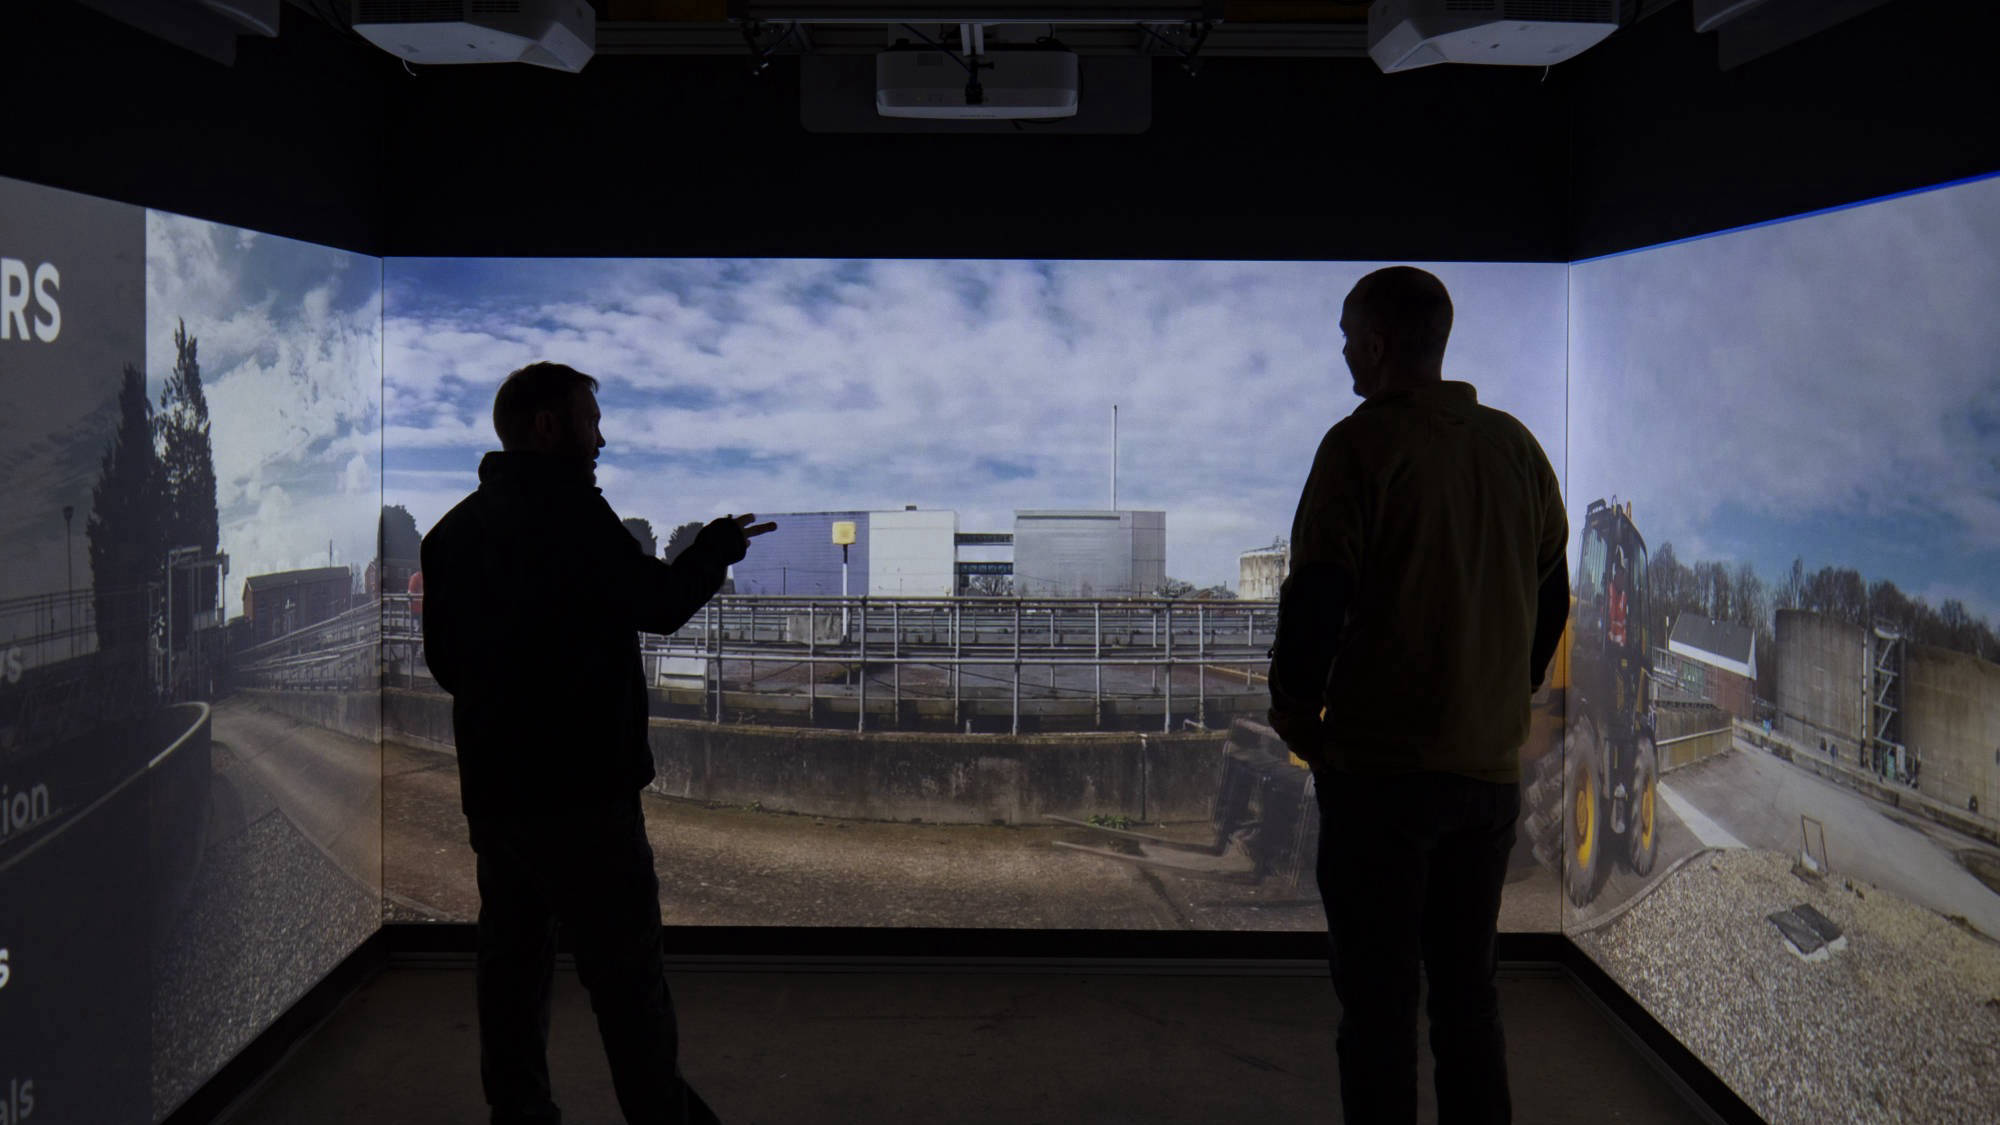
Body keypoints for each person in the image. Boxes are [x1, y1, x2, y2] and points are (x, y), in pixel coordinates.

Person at [421, 361, 773, 1125]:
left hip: (500, 802)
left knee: (511, 974)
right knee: (627, 986)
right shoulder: (574, 517)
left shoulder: (449, 536)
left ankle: (521, 1116)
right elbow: (662, 602)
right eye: (589, 420)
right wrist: (715, 548)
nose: (601, 438)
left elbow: (447, 665)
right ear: (548, 428)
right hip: (585, 802)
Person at [1268, 266, 1568, 1125]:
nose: (1342, 355)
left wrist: (1296, 708)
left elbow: (1318, 591)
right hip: (1486, 779)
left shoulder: (1359, 446)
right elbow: (1553, 591)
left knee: (1378, 1010)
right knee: (1470, 998)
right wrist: (1513, 686)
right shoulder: (1516, 449)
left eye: (1347, 338)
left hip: (1382, 777)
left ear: (1379, 343)